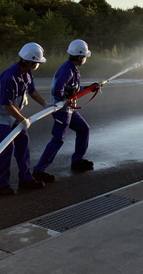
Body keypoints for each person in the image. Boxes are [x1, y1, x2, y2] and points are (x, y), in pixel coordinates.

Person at [0, 42, 51, 196]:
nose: (37, 65)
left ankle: (26, 179)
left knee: (23, 142)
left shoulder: (26, 73)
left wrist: (45, 104)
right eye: (37, 63)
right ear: (31, 63)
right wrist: (23, 119)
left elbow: (32, 90)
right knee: (5, 148)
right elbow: (7, 105)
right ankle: (2, 184)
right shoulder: (10, 77)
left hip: (11, 112)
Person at [33, 39, 99, 182]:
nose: (85, 59)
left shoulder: (73, 69)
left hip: (68, 109)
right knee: (58, 139)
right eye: (85, 56)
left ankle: (78, 160)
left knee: (84, 129)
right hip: (61, 110)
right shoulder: (66, 70)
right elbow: (58, 92)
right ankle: (39, 170)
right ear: (80, 56)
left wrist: (89, 88)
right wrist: (68, 95)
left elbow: (74, 90)